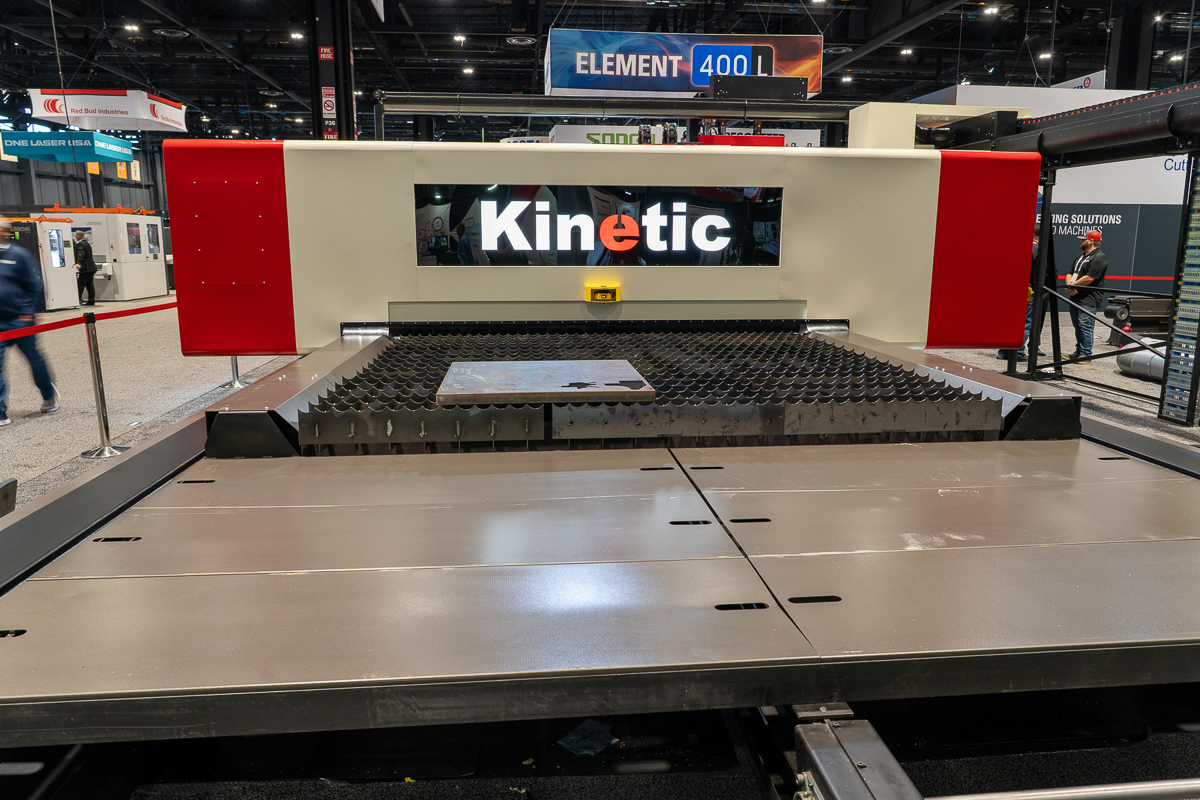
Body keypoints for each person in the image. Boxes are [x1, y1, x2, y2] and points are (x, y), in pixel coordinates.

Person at [0, 219, 58, 426]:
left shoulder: (20, 255)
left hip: (20, 321)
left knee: (35, 360)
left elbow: (34, 285)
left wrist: (25, 314)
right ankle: (1, 412)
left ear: (7, 231)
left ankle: (48, 393)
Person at [998, 232, 1044, 361]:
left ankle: (1003, 351)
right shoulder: (1036, 249)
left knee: (1009, 322)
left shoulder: (1016, 246)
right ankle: (1017, 353)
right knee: (1024, 323)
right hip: (1027, 290)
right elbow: (1037, 272)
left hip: (1012, 290)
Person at [1065, 230, 1109, 362]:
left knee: (1085, 326)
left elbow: (1090, 278)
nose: (1081, 241)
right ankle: (1078, 351)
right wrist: (1069, 285)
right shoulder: (1081, 257)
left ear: (1091, 241)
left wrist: (1072, 286)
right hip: (1075, 296)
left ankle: (1086, 355)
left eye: (1083, 239)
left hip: (1089, 298)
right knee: (1077, 326)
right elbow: (1070, 273)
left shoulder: (1099, 257)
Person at [73, 229, 98, 306]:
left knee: (80, 285)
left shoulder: (80, 244)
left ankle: (77, 300)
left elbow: (81, 254)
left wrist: (78, 263)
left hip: (86, 269)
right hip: (91, 268)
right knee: (89, 285)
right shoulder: (87, 243)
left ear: (77, 237)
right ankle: (91, 301)